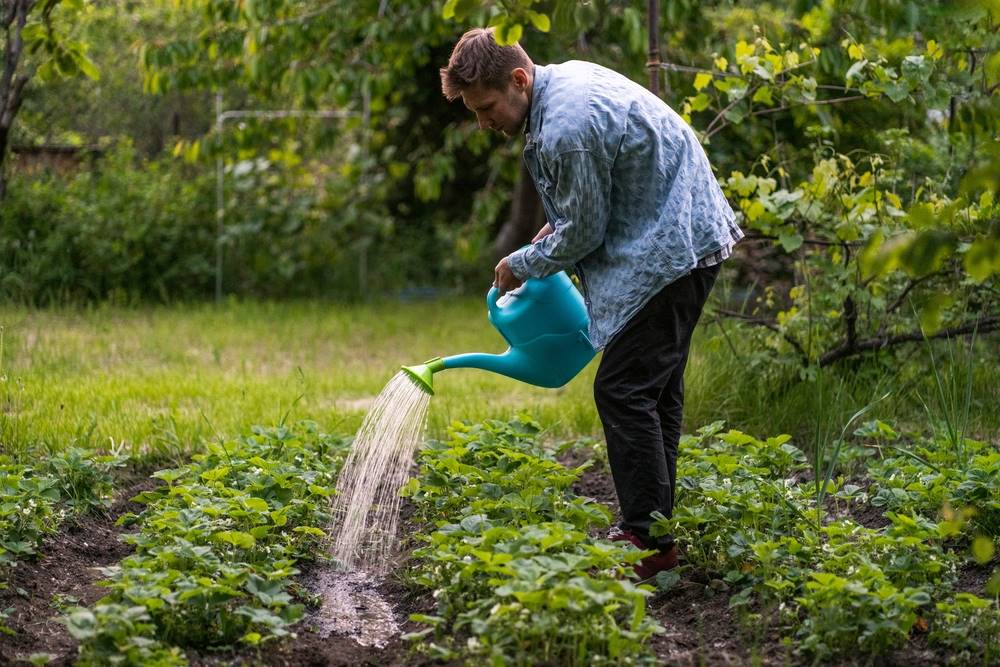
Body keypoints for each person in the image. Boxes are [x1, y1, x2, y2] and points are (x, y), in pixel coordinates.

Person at [440, 27, 742, 582]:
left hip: (673, 246)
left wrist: (522, 264)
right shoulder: (561, 92)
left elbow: (584, 232)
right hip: (679, 234)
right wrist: (555, 228)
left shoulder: (565, 128)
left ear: (518, 80)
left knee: (623, 389)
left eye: (485, 108)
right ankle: (653, 530)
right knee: (652, 390)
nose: (483, 123)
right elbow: (591, 198)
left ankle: (647, 543)